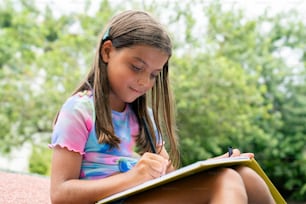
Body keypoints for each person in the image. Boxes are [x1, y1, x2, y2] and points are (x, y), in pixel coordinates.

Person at [49, 10, 275, 204]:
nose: (144, 82)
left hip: (142, 197)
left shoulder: (143, 118)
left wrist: (212, 165)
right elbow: (60, 194)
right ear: (107, 52)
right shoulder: (79, 111)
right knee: (225, 180)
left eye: (154, 75)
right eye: (137, 67)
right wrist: (132, 177)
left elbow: (169, 178)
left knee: (244, 174)